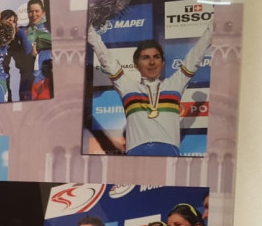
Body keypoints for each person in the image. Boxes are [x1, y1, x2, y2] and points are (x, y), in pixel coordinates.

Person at [87, 22, 213, 156]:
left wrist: (214, 26)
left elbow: (196, 55)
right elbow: (106, 60)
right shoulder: (127, 87)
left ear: (162, 63)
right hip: (136, 154)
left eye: (156, 57)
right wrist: (89, 30)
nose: (152, 62)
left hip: (169, 153)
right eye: (145, 58)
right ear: (136, 65)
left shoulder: (175, 84)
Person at [22, 0, 53, 100]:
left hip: (49, 76)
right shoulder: (22, 31)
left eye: (37, 11)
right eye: (31, 11)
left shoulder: (51, 28)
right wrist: (32, 55)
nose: (34, 14)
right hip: (33, 78)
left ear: (43, 12)